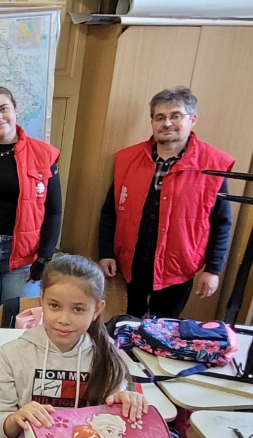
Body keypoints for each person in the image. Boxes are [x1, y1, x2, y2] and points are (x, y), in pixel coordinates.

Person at [0, 255, 147, 438]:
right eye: (54, 306)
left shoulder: (107, 359)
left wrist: (125, 408)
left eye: (78, 309)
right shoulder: (11, 355)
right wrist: (13, 421)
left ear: (96, 310)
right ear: (41, 300)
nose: (64, 319)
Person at [98, 86, 233, 319]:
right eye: (160, 117)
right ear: (152, 122)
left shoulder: (212, 165)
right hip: (130, 266)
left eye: (175, 116)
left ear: (192, 119)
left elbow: (221, 222)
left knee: (163, 331)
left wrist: (213, 269)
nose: (167, 123)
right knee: (125, 325)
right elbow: (111, 210)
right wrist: (106, 252)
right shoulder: (128, 159)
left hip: (177, 270)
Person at [0, 86, 63, 332]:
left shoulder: (43, 154)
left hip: (24, 258)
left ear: (16, 111)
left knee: (17, 325)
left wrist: (44, 258)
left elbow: (54, 211)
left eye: (3, 109)